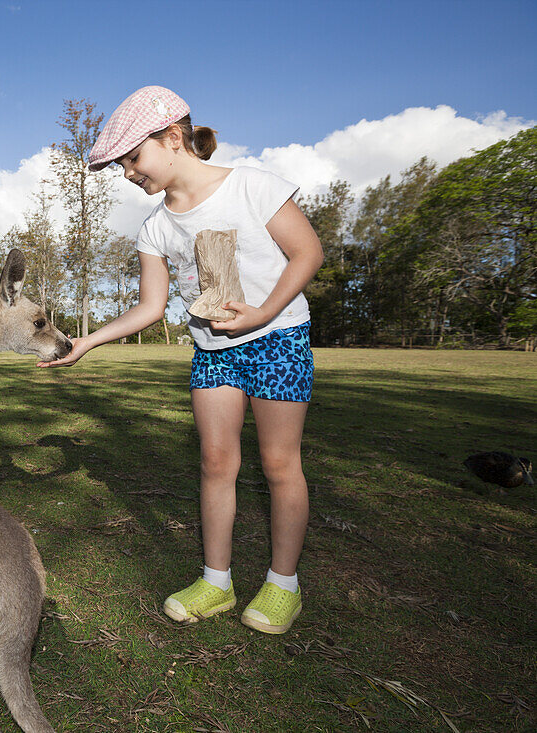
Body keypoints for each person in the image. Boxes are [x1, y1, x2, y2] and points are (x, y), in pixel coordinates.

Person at [39, 86, 323, 635]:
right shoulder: (157, 226)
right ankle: (215, 582)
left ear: (173, 139)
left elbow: (307, 251)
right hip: (214, 352)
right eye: (120, 165)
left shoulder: (252, 187)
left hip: (278, 338)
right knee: (217, 464)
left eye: (132, 158)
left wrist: (263, 312)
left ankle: (283, 584)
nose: (126, 173)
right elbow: (149, 307)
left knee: (280, 465)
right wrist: (88, 342)